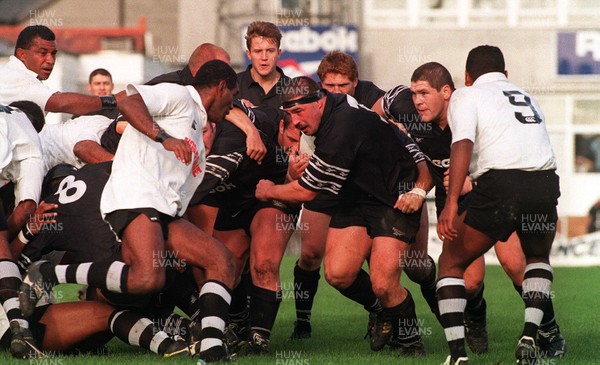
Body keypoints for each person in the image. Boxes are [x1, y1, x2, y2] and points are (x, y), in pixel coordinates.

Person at [20, 60, 239, 363]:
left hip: (163, 210)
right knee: (147, 280)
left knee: (221, 260)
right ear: (221, 87)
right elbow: (129, 100)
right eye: (233, 96)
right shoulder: (180, 95)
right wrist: (162, 136)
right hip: (134, 197)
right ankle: (50, 273)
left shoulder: (199, 134)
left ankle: (213, 354)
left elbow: (181, 187)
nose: (233, 106)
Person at [378, 62, 565, 358]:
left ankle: (549, 329)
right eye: (415, 93)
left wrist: (471, 182)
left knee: (517, 266)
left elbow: (504, 156)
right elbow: (377, 112)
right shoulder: (404, 105)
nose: (418, 100)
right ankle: (476, 316)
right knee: (471, 281)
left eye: (424, 93)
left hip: (489, 193)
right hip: (451, 196)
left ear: (447, 92)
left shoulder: (471, 110)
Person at [255, 76, 433, 356]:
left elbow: (307, 192)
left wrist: (268, 190)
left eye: (299, 112)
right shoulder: (335, 105)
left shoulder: (342, 125)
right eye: (289, 116)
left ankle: (412, 344)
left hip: (393, 196)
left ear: (319, 101)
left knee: (386, 282)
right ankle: (381, 310)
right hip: (355, 197)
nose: (297, 123)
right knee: (338, 274)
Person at [436, 45, 561, 365]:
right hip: (545, 183)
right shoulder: (525, 96)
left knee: (450, 263)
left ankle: (457, 356)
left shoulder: (466, 95)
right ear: (506, 75)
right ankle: (531, 336)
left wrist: (451, 203)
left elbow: (462, 143)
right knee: (536, 257)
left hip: (501, 186)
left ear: (466, 77)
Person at [290, 50, 388, 340]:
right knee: (309, 254)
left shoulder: (375, 100)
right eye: (329, 86)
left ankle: (384, 313)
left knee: (376, 260)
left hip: (363, 190)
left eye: (342, 86)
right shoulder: (314, 104)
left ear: (355, 82)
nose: (334, 92)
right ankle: (303, 322)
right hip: (326, 183)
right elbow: (299, 146)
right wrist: (296, 168)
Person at [0, 26, 119, 117]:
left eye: (53, 54)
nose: (50, 60)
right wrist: (113, 101)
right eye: (42, 53)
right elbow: (61, 103)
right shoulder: (15, 77)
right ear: (22, 54)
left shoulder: (21, 75)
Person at [237, 21, 290, 110]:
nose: (264, 57)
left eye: (270, 51)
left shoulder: (292, 88)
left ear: (278, 53)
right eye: (258, 51)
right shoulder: (233, 86)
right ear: (249, 54)